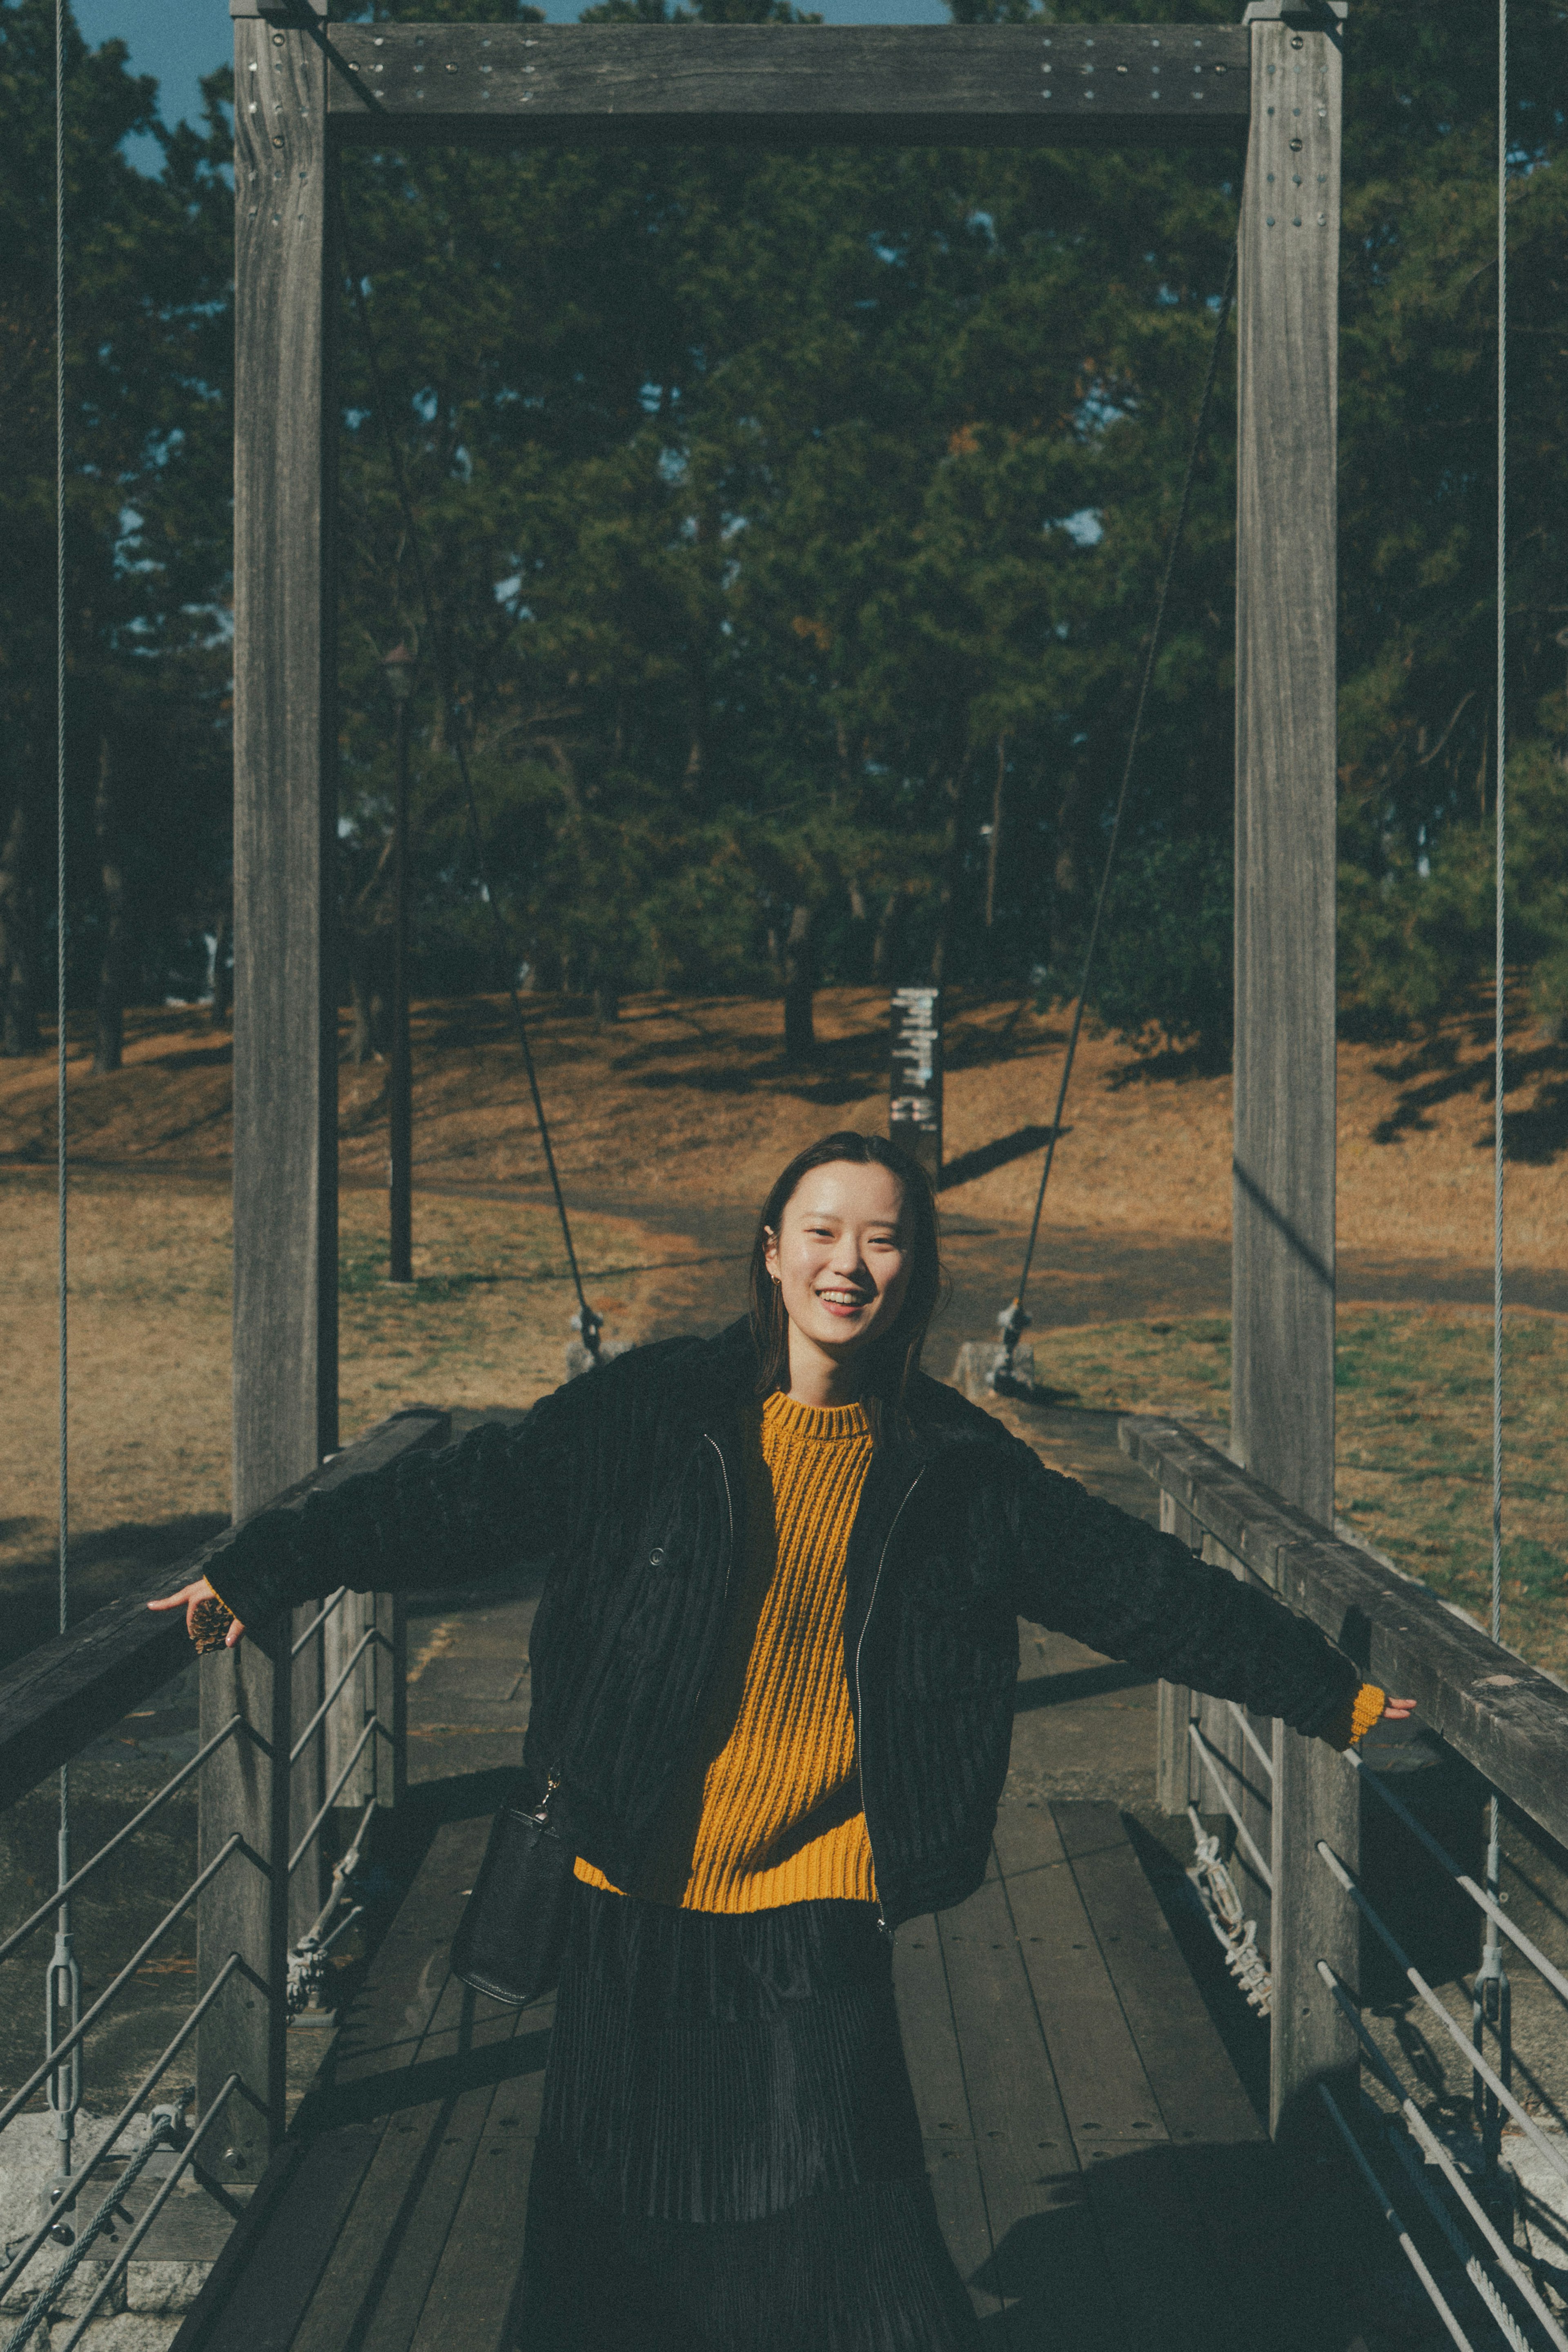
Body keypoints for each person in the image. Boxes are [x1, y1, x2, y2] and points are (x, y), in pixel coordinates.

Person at [153, 1129, 1411, 2350]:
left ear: (915, 1267)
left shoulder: (959, 1470)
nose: (847, 1264)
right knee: (608, 2239)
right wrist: (266, 1567)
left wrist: (1325, 1692)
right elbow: (460, 1498)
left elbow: (1138, 1585)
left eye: (883, 1239)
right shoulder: (648, 1412)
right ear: (769, 1250)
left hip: (817, 1891)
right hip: (627, 1871)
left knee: (845, 2236)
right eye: (821, 1232)